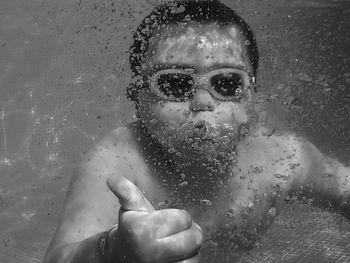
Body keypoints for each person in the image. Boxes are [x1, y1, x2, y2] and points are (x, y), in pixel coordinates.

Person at [43, 0, 350, 262]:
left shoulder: (283, 158)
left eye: (227, 83)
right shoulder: (118, 163)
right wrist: (112, 250)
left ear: (251, 98)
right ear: (139, 97)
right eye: (175, 83)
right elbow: (61, 255)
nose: (202, 102)